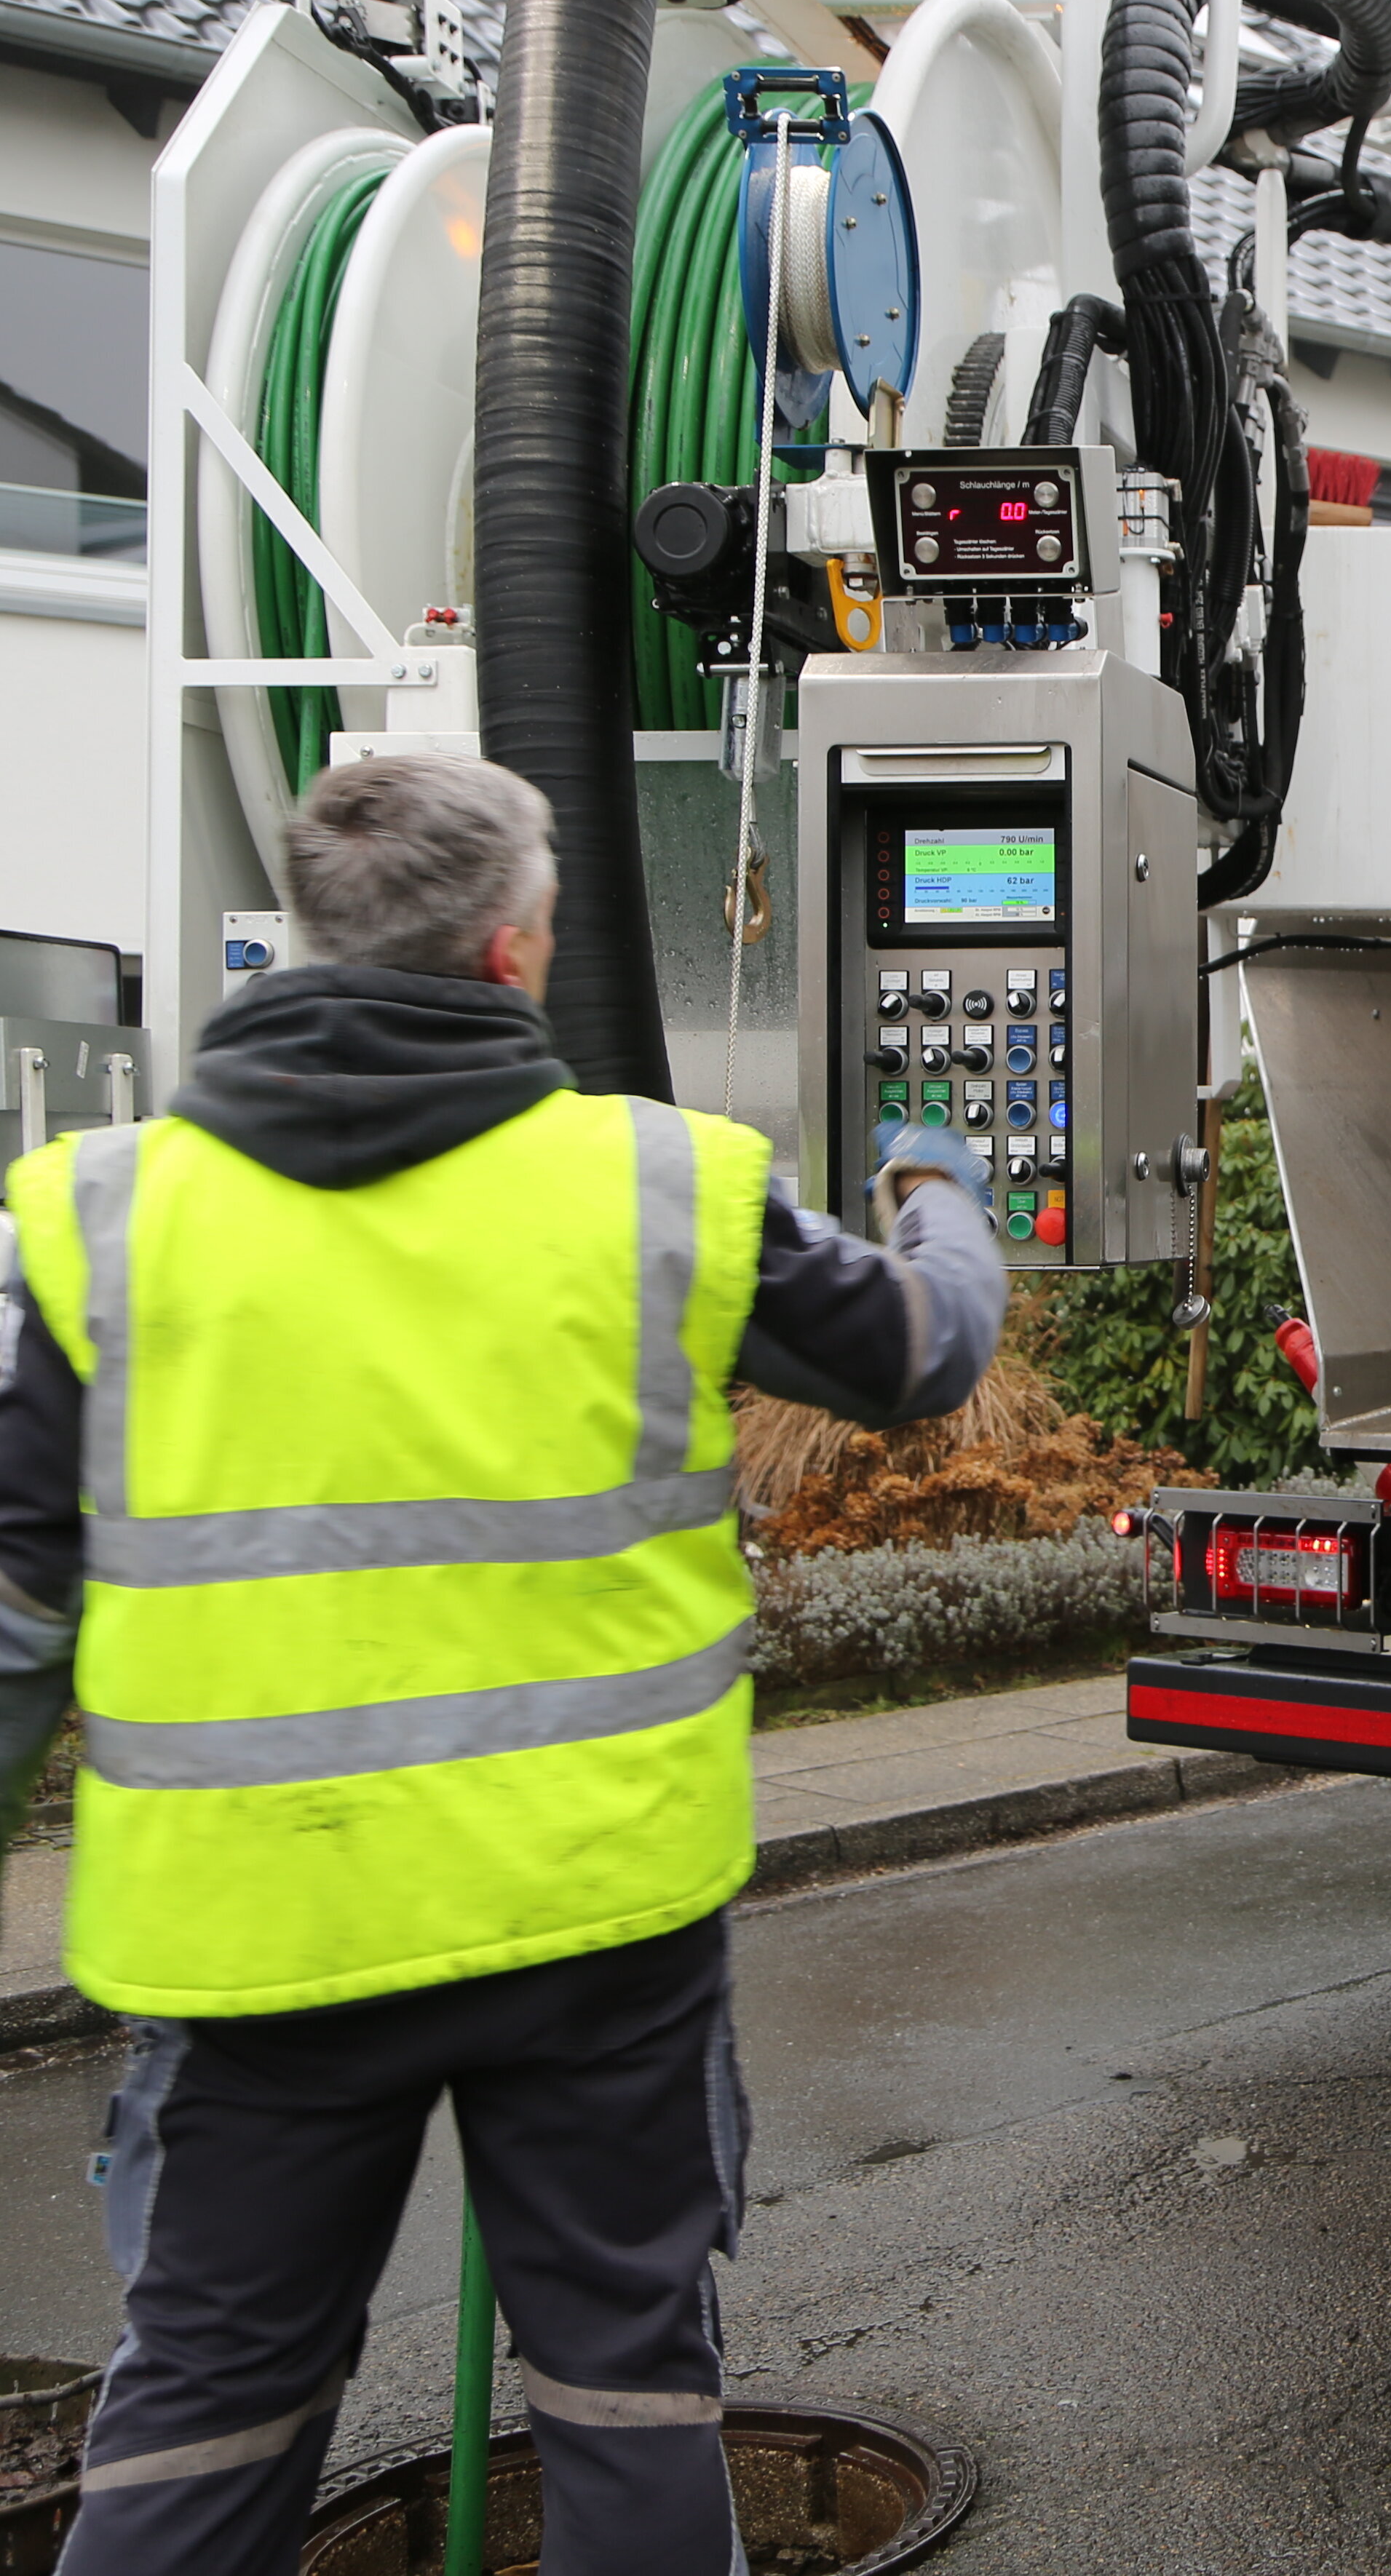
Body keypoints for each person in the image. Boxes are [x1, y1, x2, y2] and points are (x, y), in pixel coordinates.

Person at [0, 753, 1007, 2575]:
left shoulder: (96, 1219)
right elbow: (925, 1348)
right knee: (623, 2385)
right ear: (518, 944)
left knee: (205, 2416)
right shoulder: (662, 1190)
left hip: (256, 1945)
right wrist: (938, 1179)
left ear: (313, 930)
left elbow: (12, 1588)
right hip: (592, 1922)